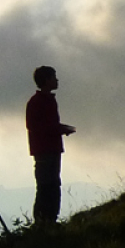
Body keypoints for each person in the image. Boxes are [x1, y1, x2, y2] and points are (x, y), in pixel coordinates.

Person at [26, 65, 76, 226]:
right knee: (47, 187)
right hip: (44, 151)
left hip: (51, 150)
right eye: (54, 77)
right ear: (46, 80)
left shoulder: (46, 100)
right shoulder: (38, 102)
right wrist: (59, 129)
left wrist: (60, 129)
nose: (57, 80)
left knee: (53, 185)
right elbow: (35, 127)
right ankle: (43, 222)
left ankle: (49, 221)